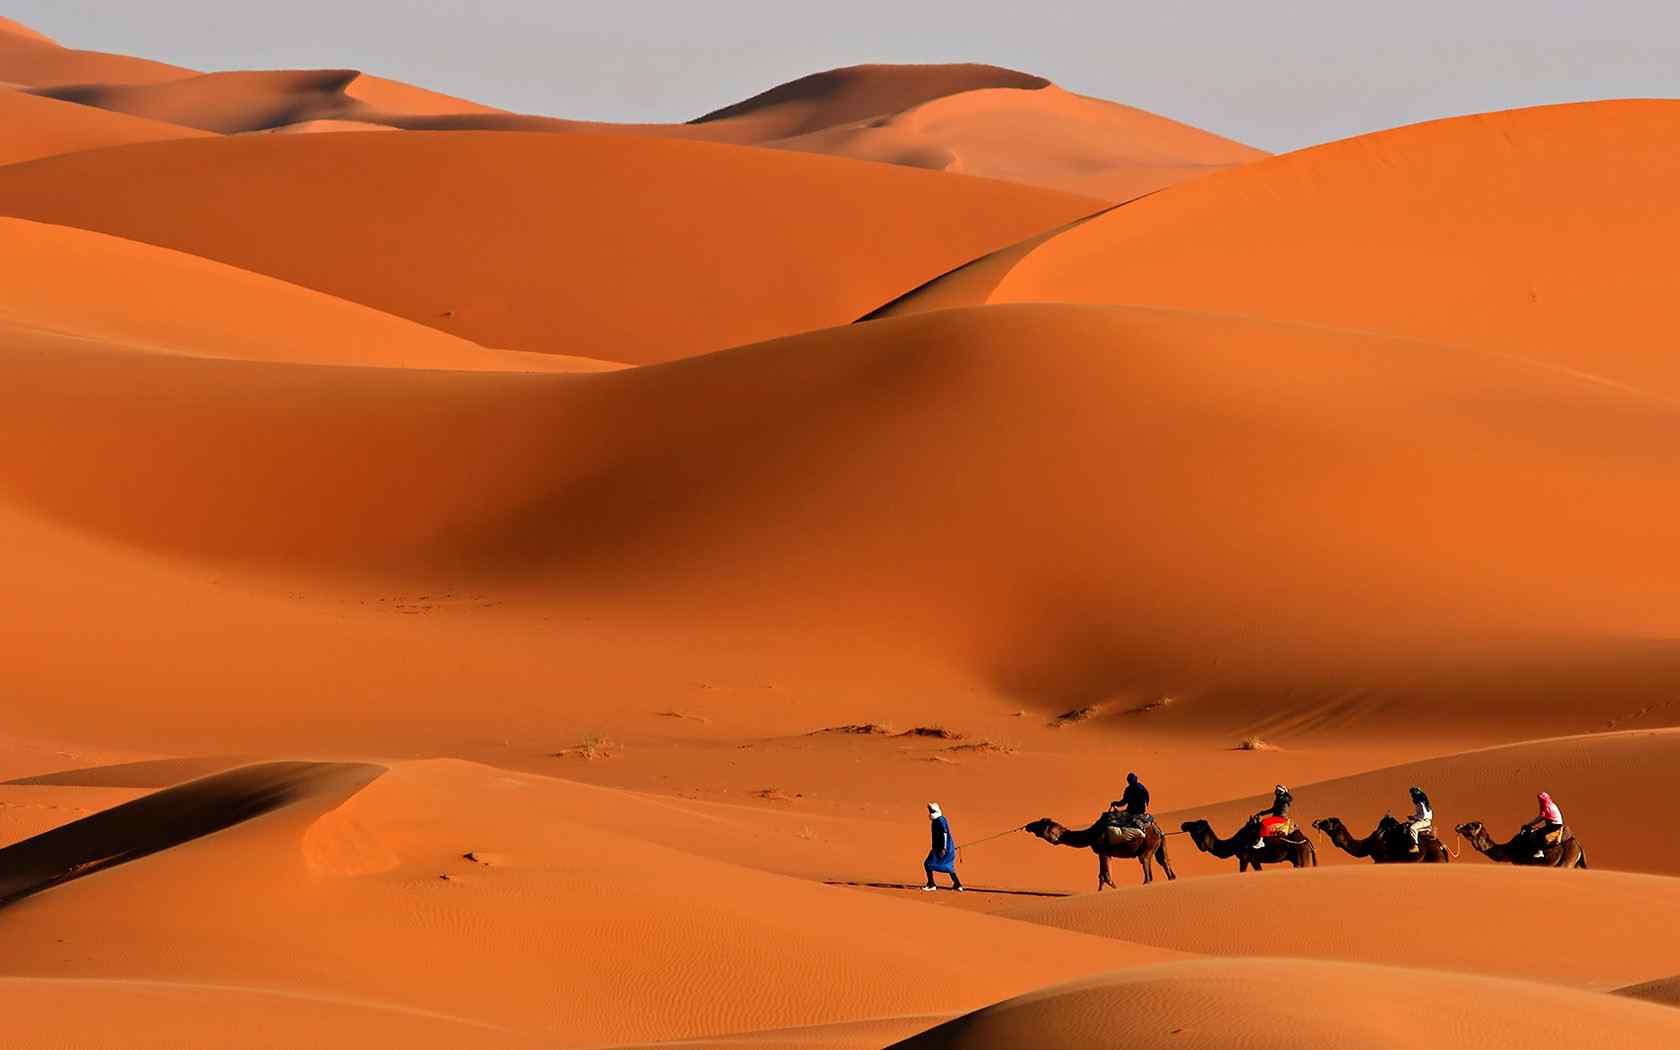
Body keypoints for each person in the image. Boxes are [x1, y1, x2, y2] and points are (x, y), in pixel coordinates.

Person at [922, 802, 964, 891]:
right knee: (948, 866)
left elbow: (944, 833)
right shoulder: (940, 819)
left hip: (941, 849)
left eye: (931, 810)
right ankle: (958, 884)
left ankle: (931, 884)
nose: (930, 812)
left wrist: (944, 848)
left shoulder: (939, 820)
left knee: (927, 864)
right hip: (946, 848)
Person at [1521, 791, 1564, 858]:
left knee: (1539, 833)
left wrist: (1529, 824)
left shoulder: (1546, 807)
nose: (1539, 801)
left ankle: (1540, 851)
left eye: (1540, 799)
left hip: (1555, 824)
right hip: (1553, 823)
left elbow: (1540, 818)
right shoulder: (1549, 804)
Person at [1400, 786, 1433, 853]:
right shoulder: (1421, 803)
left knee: (1412, 828)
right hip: (1423, 821)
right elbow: (1420, 814)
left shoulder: (1422, 803)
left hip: (1424, 821)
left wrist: (1414, 817)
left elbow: (1424, 815)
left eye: (1413, 794)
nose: (1412, 796)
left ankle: (1415, 846)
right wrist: (1413, 817)